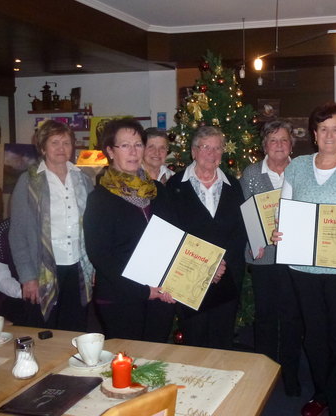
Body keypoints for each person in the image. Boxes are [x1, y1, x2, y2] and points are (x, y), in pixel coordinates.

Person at [274, 102, 336, 416]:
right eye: (323, 129)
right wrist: (280, 232)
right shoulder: (297, 166)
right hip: (302, 268)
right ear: (314, 134)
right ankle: (322, 393)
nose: (329, 135)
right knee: (314, 337)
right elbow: (285, 210)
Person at [84, 117, 177, 341]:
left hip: (160, 292)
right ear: (110, 151)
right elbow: (101, 256)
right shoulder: (100, 199)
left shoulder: (157, 190)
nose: (133, 152)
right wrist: (144, 290)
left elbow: (174, 238)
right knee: (129, 365)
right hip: (121, 297)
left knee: (157, 361)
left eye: (138, 144)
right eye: (125, 145)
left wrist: (173, 281)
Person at [9, 120, 94, 331]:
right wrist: (28, 277)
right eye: (54, 142)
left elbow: (93, 228)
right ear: (42, 147)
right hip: (43, 269)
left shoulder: (83, 179)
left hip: (78, 267)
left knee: (75, 327)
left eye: (66, 142)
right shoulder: (28, 182)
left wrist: (94, 267)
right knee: (45, 330)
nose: (61, 148)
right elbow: (18, 234)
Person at [167, 126, 246, 350]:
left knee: (222, 339)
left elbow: (240, 231)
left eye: (217, 148)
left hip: (227, 275)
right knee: (195, 339)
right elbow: (172, 232)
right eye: (205, 147)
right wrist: (205, 265)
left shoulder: (233, 185)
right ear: (194, 151)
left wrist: (220, 265)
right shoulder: (175, 186)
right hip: (189, 275)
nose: (211, 153)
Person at [240, 120, 303, 397]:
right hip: (264, 258)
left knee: (292, 318)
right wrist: (256, 242)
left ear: (292, 144)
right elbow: (247, 212)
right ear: (264, 145)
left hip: (295, 258)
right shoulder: (252, 172)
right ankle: (264, 374)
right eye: (273, 140)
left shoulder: (302, 170)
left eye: (284, 140)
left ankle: (291, 374)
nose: (279, 145)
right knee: (265, 318)